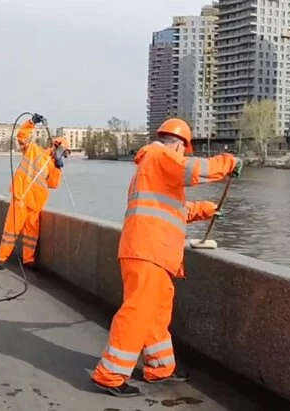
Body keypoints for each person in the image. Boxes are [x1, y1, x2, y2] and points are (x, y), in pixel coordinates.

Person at [91, 118, 242, 397]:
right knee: (137, 312)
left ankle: (160, 367)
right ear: (180, 145)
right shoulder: (160, 155)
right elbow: (196, 170)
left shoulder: (153, 166)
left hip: (153, 252)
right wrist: (228, 162)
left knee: (156, 313)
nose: (184, 155)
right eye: (185, 150)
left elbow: (172, 209)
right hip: (148, 251)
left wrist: (204, 209)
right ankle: (109, 374)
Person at [0, 113, 69, 270]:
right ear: (56, 146)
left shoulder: (53, 165)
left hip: (35, 204)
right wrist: (31, 122)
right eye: (63, 151)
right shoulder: (34, 151)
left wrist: (57, 168)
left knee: (31, 235)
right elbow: (22, 136)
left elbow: (53, 184)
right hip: (22, 197)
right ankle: (1, 258)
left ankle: (28, 260)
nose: (64, 155)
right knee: (11, 230)